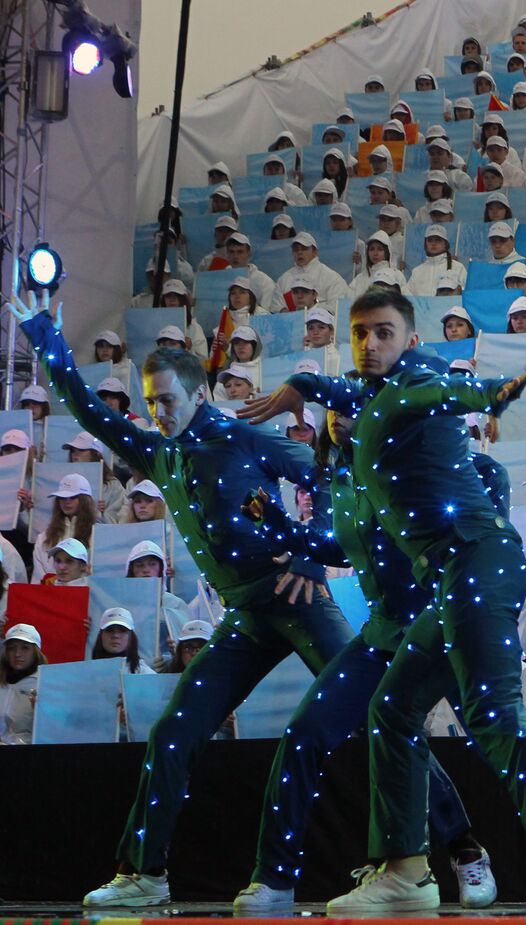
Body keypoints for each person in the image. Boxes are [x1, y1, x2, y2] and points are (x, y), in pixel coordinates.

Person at [240, 289, 526, 915]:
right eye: (359, 333)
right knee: (390, 714)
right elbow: (337, 538)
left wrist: (498, 391)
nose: (369, 345)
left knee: (492, 715)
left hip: (470, 574)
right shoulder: (359, 463)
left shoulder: (415, 386)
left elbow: (440, 393)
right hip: (427, 601)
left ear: (410, 341)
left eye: (383, 333)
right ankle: (407, 871)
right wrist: (279, 528)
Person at [8, 288, 354, 909]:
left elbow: (325, 475)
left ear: (198, 392)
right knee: (173, 732)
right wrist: (47, 336)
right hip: (246, 614)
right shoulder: (159, 449)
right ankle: (145, 872)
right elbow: (90, 411)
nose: (159, 412)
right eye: (150, 403)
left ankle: (459, 849)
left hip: (293, 597)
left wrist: (309, 553)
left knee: (373, 709)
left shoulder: (244, 437)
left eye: (168, 399)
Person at [232, 408, 508, 911]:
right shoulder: (341, 475)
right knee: (305, 733)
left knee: (504, 736)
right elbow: (343, 547)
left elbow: (480, 505)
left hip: (447, 628)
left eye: (350, 405)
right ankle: (275, 880)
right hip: (381, 636)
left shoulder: (416, 462)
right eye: (331, 410)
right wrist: (279, 526)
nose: (337, 418)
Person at [0, 623, 43, 745]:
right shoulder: (2, 682)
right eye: (12, 648)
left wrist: (43, 711)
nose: (17, 654)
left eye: (25, 648)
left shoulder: (44, 684)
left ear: (35, 651)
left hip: (26, 757)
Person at [91, 608, 156, 674]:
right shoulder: (86, 672)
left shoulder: (145, 674)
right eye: (110, 630)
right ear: (101, 635)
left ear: (131, 637)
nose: (115, 635)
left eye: (122, 630)